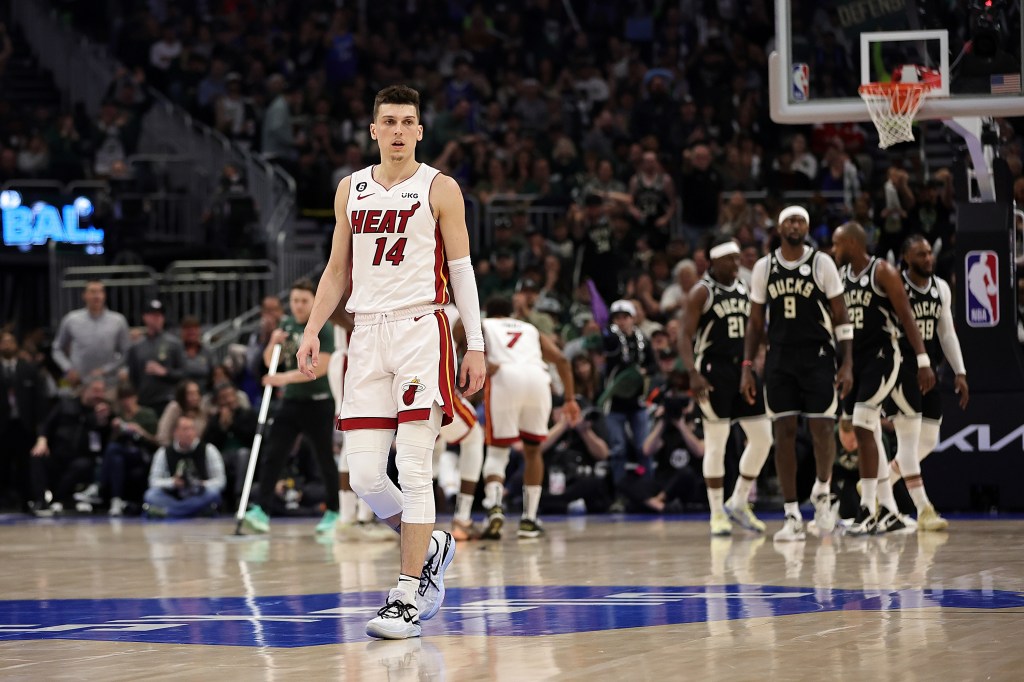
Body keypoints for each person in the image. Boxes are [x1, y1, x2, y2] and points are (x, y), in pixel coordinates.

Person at [293, 85, 486, 640]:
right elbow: (335, 271)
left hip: (422, 330)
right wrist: (311, 331)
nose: (398, 131)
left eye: (408, 121)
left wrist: (474, 343)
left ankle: (407, 592)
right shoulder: (349, 189)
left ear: (420, 131)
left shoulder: (440, 188)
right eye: (389, 122)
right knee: (367, 477)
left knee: (416, 466)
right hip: (366, 334)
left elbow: (464, 270)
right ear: (374, 131)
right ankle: (435, 543)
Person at [740, 206, 854, 542]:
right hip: (780, 360)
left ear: (807, 226)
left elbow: (841, 315)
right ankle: (791, 514)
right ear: (779, 227)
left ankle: (822, 493)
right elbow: (756, 322)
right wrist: (748, 366)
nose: (796, 225)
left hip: (818, 356)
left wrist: (847, 362)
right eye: (789, 220)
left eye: (801, 220)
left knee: (822, 429)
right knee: (783, 433)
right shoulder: (765, 266)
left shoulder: (822, 263)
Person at [832, 221, 935, 535]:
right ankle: (886, 509)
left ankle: (869, 509)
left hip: (883, 355)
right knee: (867, 431)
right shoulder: (840, 278)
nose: (834, 251)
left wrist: (922, 360)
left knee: (864, 425)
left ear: (852, 243)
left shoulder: (882, 272)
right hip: (855, 360)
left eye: (837, 245)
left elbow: (907, 316)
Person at [678, 238, 773, 536]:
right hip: (712, 371)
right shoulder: (701, 292)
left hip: (742, 369)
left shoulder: (744, 287)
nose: (736, 264)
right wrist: (692, 373)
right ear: (713, 263)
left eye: (737, 259)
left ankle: (739, 501)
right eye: (730, 260)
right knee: (716, 443)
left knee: (762, 438)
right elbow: (683, 336)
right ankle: (716, 512)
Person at [475, 296, 580, 539]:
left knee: (497, 451)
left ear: (488, 312)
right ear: (513, 314)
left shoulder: (484, 324)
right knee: (534, 451)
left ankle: (494, 505)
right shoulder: (530, 328)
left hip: (505, 377)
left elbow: (457, 339)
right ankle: (529, 520)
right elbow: (562, 359)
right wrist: (570, 399)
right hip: (538, 379)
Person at [242, 278, 339, 535]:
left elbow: (321, 368)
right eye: (294, 300)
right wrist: (272, 342)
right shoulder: (284, 325)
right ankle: (262, 510)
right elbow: (268, 362)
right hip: (291, 401)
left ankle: (334, 511)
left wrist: (283, 378)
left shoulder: (324, 328)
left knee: (323, 457)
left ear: (313, 302)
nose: (298, 306)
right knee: (274, 453)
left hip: (318, 403)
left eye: (303, 301)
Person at [885, 235, 968, 531]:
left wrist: (960, 371)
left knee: (929, 440)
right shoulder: (895, 286)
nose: (928, 259)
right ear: (906, 258)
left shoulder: (941, 287)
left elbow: (946, 333)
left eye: (929, 254)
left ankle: (882, 478)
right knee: (907, 441)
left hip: (929, 369)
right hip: (900, 368)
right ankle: (924, 510)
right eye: (920, 255)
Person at [30, 379, 112, 515]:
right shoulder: (65, 404)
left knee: (83, 465)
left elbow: (103, 442)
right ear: (85, 390)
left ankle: (59, 498)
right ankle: (40, 501)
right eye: (96, 391)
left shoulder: (101, 413)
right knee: (37, 456)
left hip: (80, 459)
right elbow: (47, 424)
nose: (100, 395)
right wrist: (42, 440)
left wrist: (102, 422)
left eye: (102, 391)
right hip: (57, 455)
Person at [600, 299, 658, 486]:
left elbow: (653, 365)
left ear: (633, 318)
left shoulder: (642, 339)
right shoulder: (611, 339)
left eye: (625, 317)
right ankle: (620, 491)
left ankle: (647, 488)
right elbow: (608, 346)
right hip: (615, 403)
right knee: (618, 449)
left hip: (637, 402)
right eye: (617, 318)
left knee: (644, 448)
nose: (621, 321)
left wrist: (643, 372)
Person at [0, 332, 50, 510]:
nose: (6, 345)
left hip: (23, 425)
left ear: (16, 345)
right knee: (3, 465)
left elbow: (39, 401)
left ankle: (26, 501)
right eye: (3, 342)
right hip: (2, 426)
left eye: (10, 341)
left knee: (24, 465)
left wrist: (40, 431)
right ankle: (4, 501)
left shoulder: (28, 368)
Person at [52, 280, 131, 388]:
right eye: (92, 291)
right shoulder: (71, 319)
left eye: (100, 292)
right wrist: (68, 368)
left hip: (108, 382)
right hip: (78, 381)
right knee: (67, 398)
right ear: (84, 295)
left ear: (104, 295)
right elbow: (57, 349)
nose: (97, 296)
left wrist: (108, 370)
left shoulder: (118, 320)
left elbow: (127, 352)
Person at [143, 415, 226, 518]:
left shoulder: (209, 450)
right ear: (175, 432)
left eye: (192, 429)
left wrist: (200, 484)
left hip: (198, 495)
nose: (189, 433)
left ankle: (170, 513)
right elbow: (153, 481)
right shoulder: (163, 452)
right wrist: (173, 482)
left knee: (213, 493)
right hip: (173, 496)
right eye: (185, 429)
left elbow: (220, 481)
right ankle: (192, 512)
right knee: (151, 495)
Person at [125, 299, 185, 415]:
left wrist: (165, 372)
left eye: (159, 315)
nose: (156, 319)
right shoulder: (136, 347)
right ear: (145, 317)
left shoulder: (174, 344)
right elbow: (133, 377)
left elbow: (183, 373)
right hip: (144, 401)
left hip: (168, 400)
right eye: (152, 315)